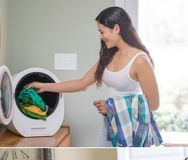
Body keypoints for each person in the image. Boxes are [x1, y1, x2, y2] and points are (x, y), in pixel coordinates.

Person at [25, 6, 162, 147]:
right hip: (109, 124)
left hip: (130, 129)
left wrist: (113, 107)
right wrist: (44, 86)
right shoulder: (109, 55)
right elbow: (81, 83)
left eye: (102, 32)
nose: (100, 37)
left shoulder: (140, 60)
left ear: (116, 29)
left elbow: (154, 104)